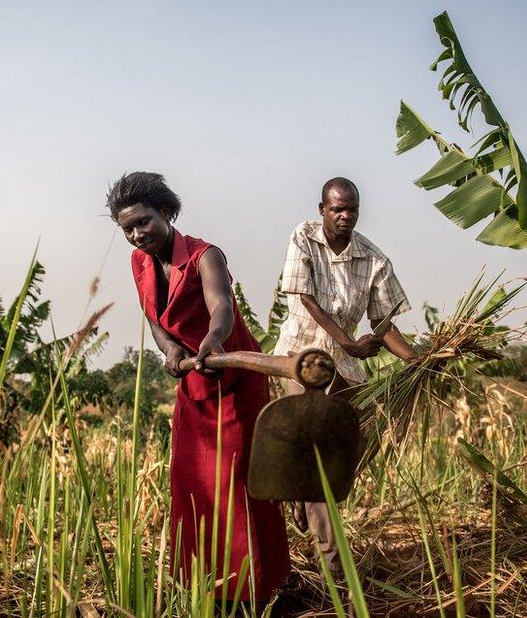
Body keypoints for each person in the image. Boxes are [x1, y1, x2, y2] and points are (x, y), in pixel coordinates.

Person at [107, 172, 290, 603]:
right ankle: (202, 586)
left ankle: (252, 590)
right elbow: (154, 317)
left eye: (144, 222)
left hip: (235, 381)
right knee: (192, 482)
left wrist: (213, 339)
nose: (137, 234)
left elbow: (221, 305)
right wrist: (171, 351)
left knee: (235, 484)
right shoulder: (139, 263)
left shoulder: (206, 255)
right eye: (128, 229)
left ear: (166, 213)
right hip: (194, 383)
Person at [273, 176, 416, 575]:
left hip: (346, 370)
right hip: (301, 358)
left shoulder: (374, 259)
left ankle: (301, 493)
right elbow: (306, 297)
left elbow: (383, 323)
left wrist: (417, 362)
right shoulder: (303, 237)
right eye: (337, 209)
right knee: (316, 456)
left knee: (340, 456)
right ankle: (334, 566)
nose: (345, 216)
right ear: (322, 210)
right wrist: (348, 341)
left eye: (352, 209)